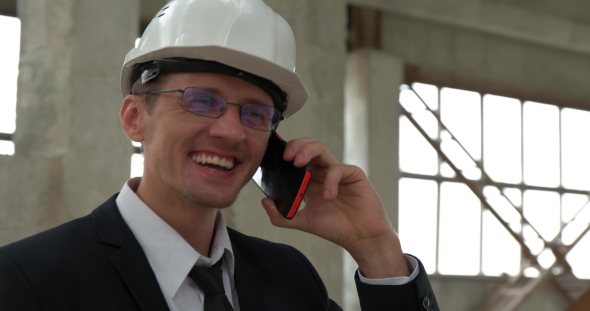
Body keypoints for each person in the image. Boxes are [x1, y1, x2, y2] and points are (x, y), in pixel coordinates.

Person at [0, 0, 439, 310]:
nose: (231, 131)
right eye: (201, 100)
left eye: (256, 113)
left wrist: (376, 248)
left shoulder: (289, 278)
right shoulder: (28, 281)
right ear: (136, 117)